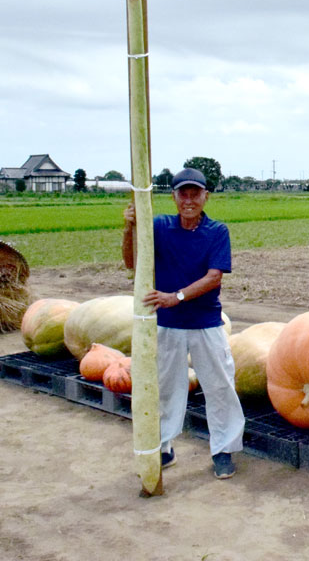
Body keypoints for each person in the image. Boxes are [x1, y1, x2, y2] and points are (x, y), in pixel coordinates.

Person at [122, 167, 244, 479]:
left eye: (195, 194)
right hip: (167, 324)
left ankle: (223, 450)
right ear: (174, 197)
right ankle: (164, 447)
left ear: (206, 197)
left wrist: (175, 296)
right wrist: (129, 227)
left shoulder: (217, 231)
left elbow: (213, 277)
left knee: (220, 387)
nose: (189, 200)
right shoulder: (159, 226)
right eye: (183, 194)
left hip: (206, 323)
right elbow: (133, 262)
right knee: (165, 388)